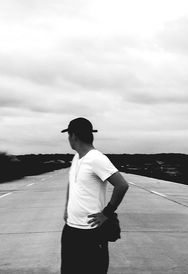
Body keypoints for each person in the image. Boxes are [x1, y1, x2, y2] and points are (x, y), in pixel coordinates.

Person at [60, 117, 129, 274]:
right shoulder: (77, 157)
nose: (68, 139)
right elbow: (72, 182)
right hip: (71, 229)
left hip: (90, 233)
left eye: (68, 135)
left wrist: (106, 214)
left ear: (74, 136)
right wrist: (67, 208)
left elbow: (122, 185)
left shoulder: (97, 159)